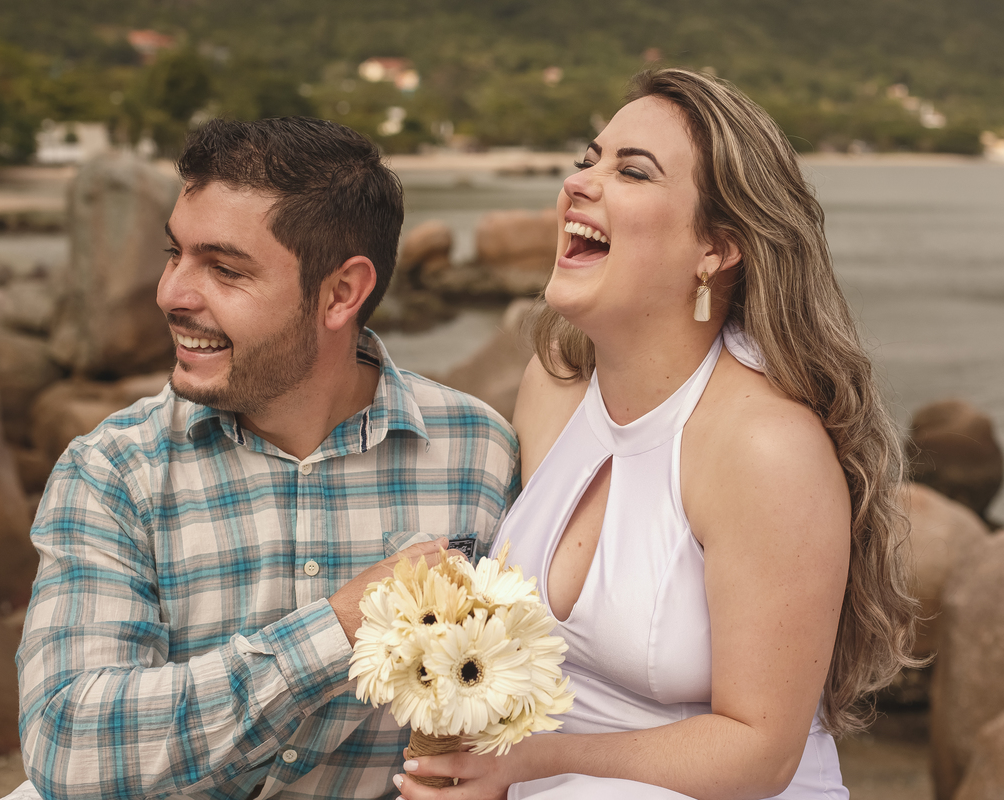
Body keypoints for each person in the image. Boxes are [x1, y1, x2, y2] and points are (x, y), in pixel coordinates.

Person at [393, 69, 919, 800]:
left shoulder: (764, 448)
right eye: (589, 160)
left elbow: (761, 754)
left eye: (631, 171)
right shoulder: (553, 388)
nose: (581, 183)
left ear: (716, 248)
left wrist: (524, 768)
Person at [14, 117, 519, 800]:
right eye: (175, 255)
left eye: (223, 269)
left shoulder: (481, 453)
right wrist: (341, 627)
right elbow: (69, 748)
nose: (172, 294)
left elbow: (526, 698)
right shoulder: (111, 471)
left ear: (341, 293)